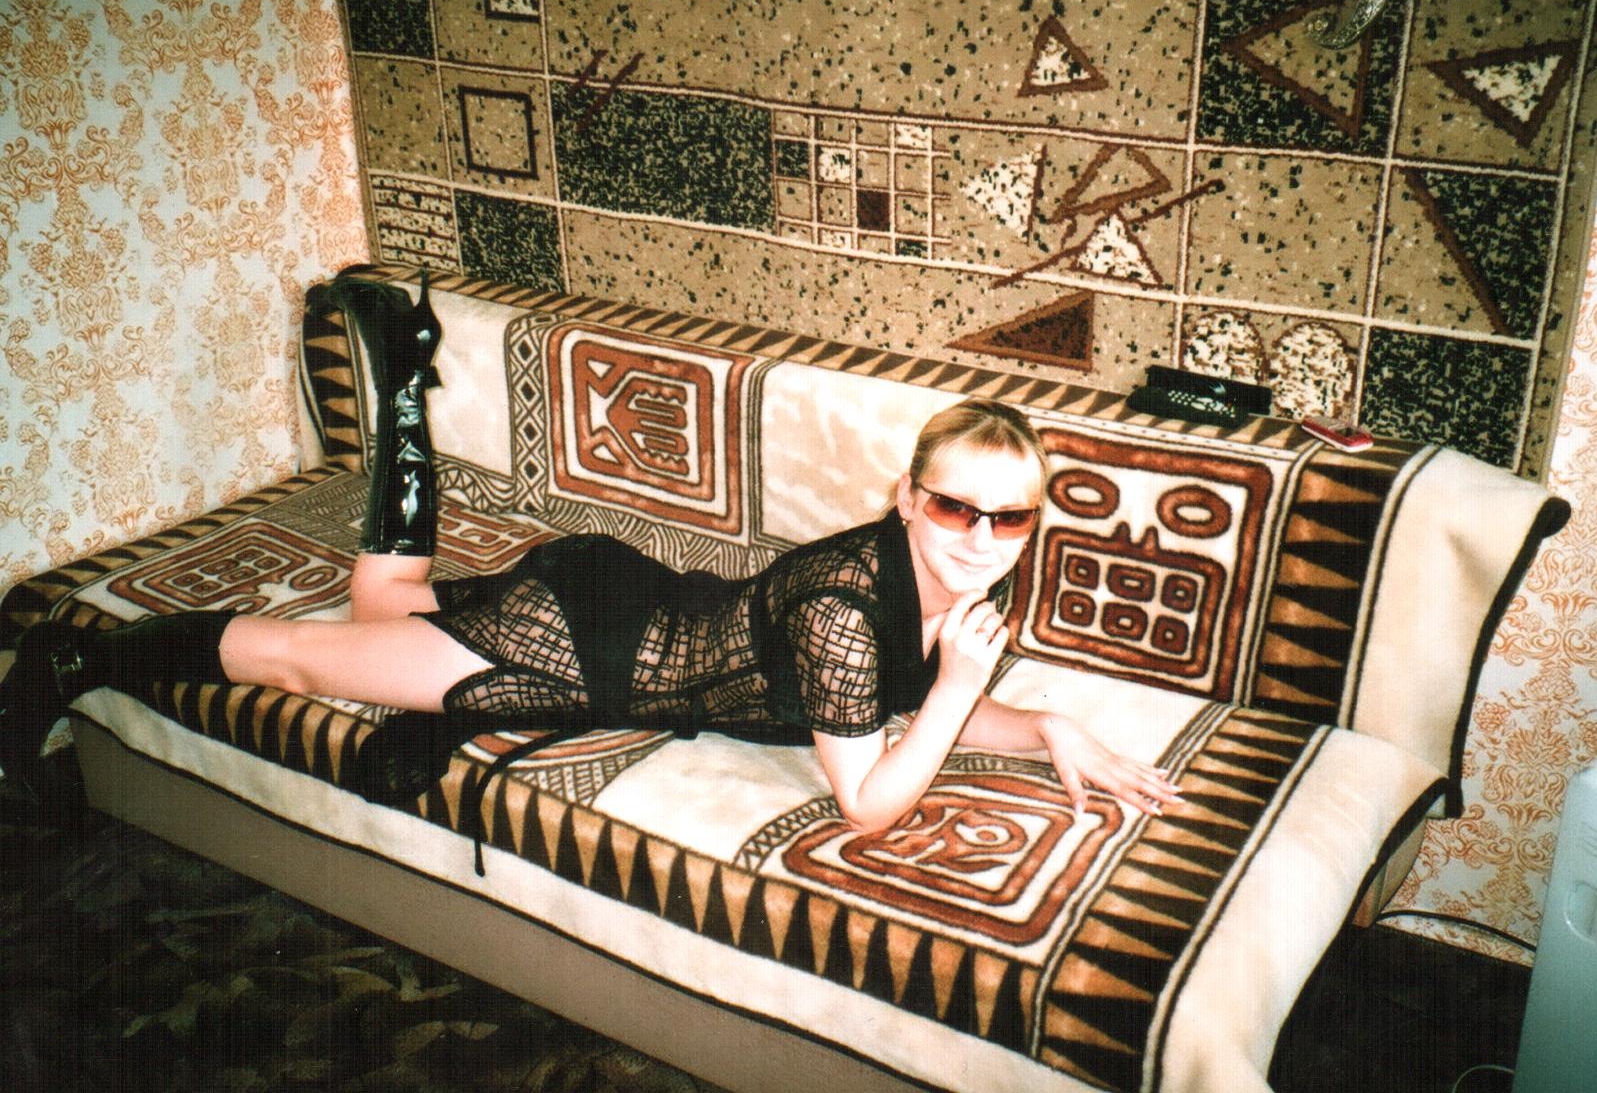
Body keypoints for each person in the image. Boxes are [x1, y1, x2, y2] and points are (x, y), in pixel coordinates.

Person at [0, 271, 1180, 832]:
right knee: (306, 658)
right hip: (585, 638)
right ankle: (74, 652)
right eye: (958, 509)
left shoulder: (936, 585)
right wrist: (971, 688)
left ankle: (402, 385)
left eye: (1011, 518)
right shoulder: (844, 601)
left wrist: (1044, 726)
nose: (984, 540)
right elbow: (871, 797)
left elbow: (902, 698)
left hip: (638, 603)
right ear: (908, 500)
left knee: (384, 609)